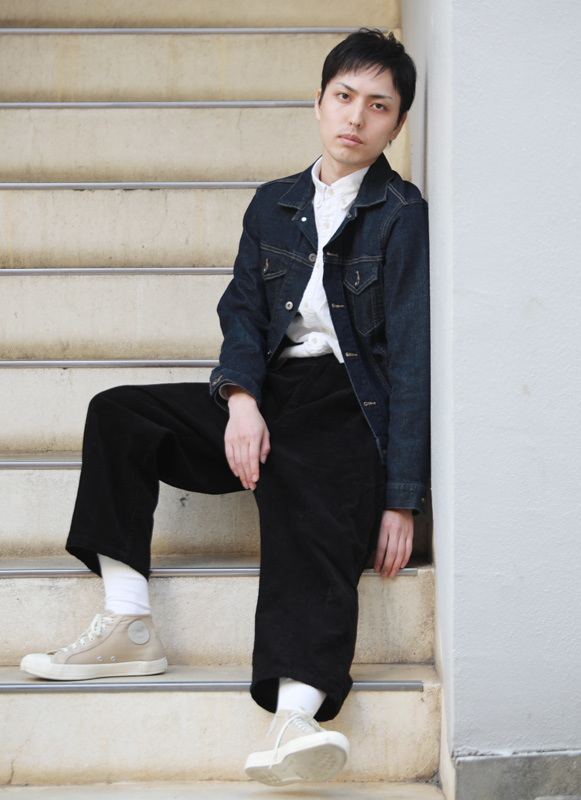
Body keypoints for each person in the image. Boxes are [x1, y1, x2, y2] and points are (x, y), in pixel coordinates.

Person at [20, 28, 429, 786]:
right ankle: (130, 622)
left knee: (308, 512)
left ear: (397, 124)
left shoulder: (403, 215)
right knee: (119, 413)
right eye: (344, 97)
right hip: (267, 392)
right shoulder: (273, 204)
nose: (356, 117)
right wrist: (240, 399)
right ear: (318, 103)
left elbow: (408, 359)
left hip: (349, 403)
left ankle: (296, 718)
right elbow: (243, 311)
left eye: (378, 106)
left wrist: (401, 499)